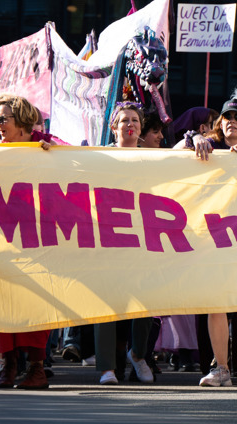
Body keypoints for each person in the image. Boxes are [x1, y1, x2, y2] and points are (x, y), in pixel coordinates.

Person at [181, 99, 237, 387]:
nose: (232, 120)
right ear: (220, 123)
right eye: (227, 116)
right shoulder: (205, 148)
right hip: (212, 234)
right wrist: (194, 139)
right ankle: (221, 368)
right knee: (216, 302)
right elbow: (171, 158)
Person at [0, 94, 52, 389]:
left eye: (3, 118)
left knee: (37, 303)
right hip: (6, 238)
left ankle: (36, 368)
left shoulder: (48, 146)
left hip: (40, 238)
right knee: (6, 301)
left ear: (22, 121)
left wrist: (53, 156)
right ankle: (10, 365)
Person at [95, 102, 155, 385]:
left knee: (143, 303)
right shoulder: (98, 156)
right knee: (106, 303)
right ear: (113, 127)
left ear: (141, 129)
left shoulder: (153, 161)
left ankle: (138, 354)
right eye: (123, 120)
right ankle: (107, 368)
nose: (129, 124)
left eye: (135, 120)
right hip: (106, 239)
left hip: (141, 240)